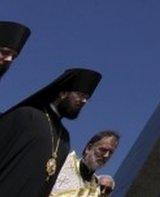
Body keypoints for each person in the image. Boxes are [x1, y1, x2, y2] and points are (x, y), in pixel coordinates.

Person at [0, 67, 101, 196]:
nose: (84, 101)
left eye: (87, 98)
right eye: (81, 95)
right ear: (63, 93)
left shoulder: (64, 139)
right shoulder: (27, 115)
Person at [50, 130, 120, 197]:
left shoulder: (96, 190)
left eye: (110, 153)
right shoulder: (63, 162)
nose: (106, 155)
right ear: (88, 148)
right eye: (103, 150)